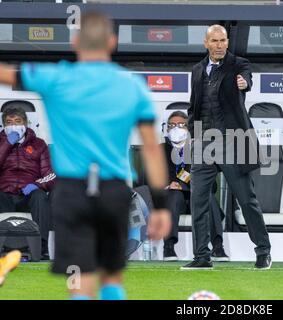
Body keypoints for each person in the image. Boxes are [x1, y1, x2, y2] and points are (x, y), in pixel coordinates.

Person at [0, 11, 171, 300]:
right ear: (113, 42)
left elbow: (6, 74)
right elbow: (153, 150)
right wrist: (161, 206)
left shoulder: (55, 78)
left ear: (76, 41)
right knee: (111, 277)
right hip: (114, 192)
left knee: (79, 281)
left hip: (72, 192)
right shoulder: (132, 87)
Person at [183, 25, 271, 270]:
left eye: (223, 40)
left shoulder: (239, 65)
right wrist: (194, 132)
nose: (220, 45)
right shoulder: (197, 70)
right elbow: (194, 106)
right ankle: (202, 256)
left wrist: (244, 83)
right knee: (198, 202)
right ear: (206, 43)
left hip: (233, 140)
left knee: (246, 199)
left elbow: (246, 81)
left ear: (227, 42)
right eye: (215, 40)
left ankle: (263, 251)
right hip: (203, 143)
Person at [163, 111, 229, 262]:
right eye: (172, 125)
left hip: (197, 197)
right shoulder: (161, 150)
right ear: (166, 130)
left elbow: (211, 185)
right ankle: (169, 247)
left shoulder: (200, 150)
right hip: (172, 198)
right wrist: (168, 184)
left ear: (189, 128)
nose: (176, 129)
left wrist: (185, 185)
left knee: (207, 196)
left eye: (181, 125)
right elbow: (152, 176)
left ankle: (218, 247)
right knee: (174, 195)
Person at [0, 106, 55, 259]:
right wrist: (6, 144)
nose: (14, 125)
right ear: (4, 126)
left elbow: (50, 175)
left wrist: (37, 185)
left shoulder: (39, 144)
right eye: (9, 122)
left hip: (28, 195)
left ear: (26, 124)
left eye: (18, 121)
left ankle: (42, 248)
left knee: (40, 197)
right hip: (4, 194)